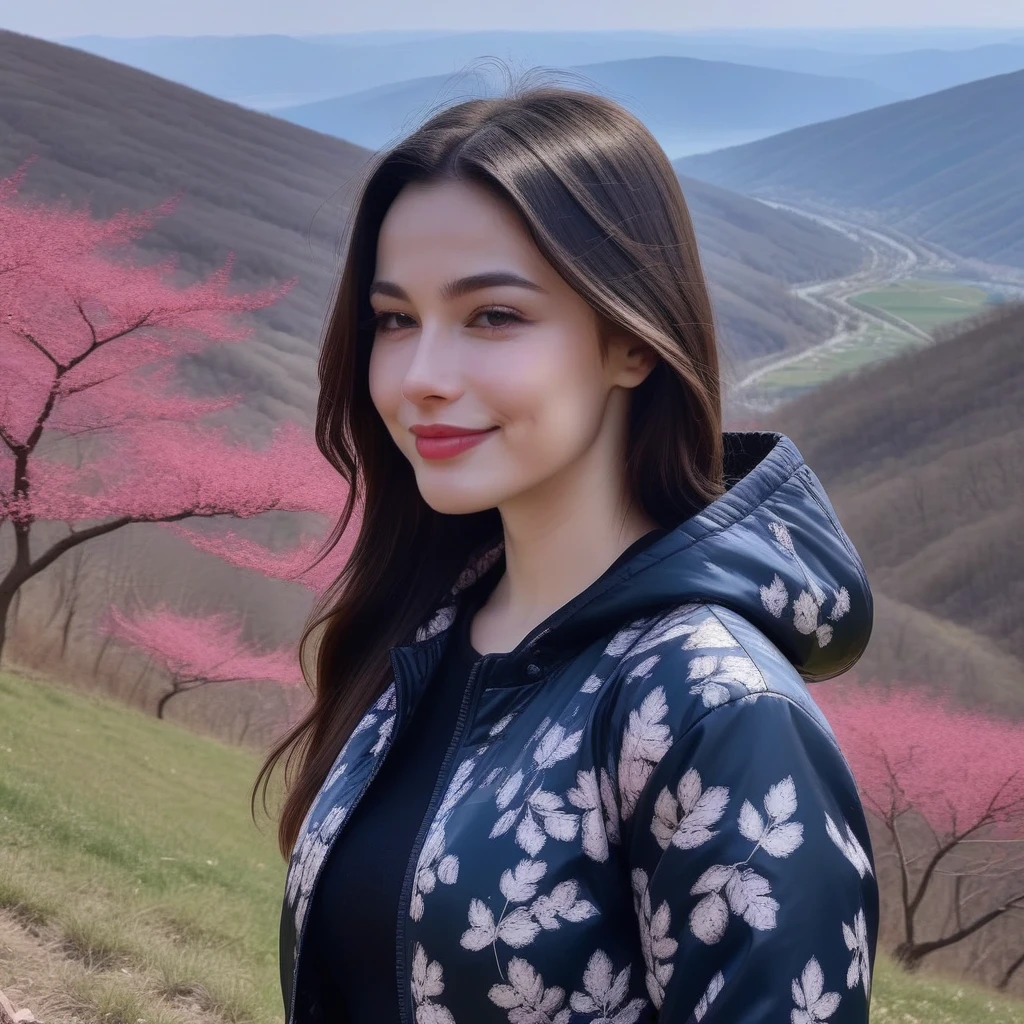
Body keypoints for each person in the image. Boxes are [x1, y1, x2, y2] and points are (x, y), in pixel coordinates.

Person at [257, 82, 879, 1024]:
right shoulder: (429, 630)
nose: (421, 377)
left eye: (493, 316)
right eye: (394, 320)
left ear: (632, 341)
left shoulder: (717, 711)